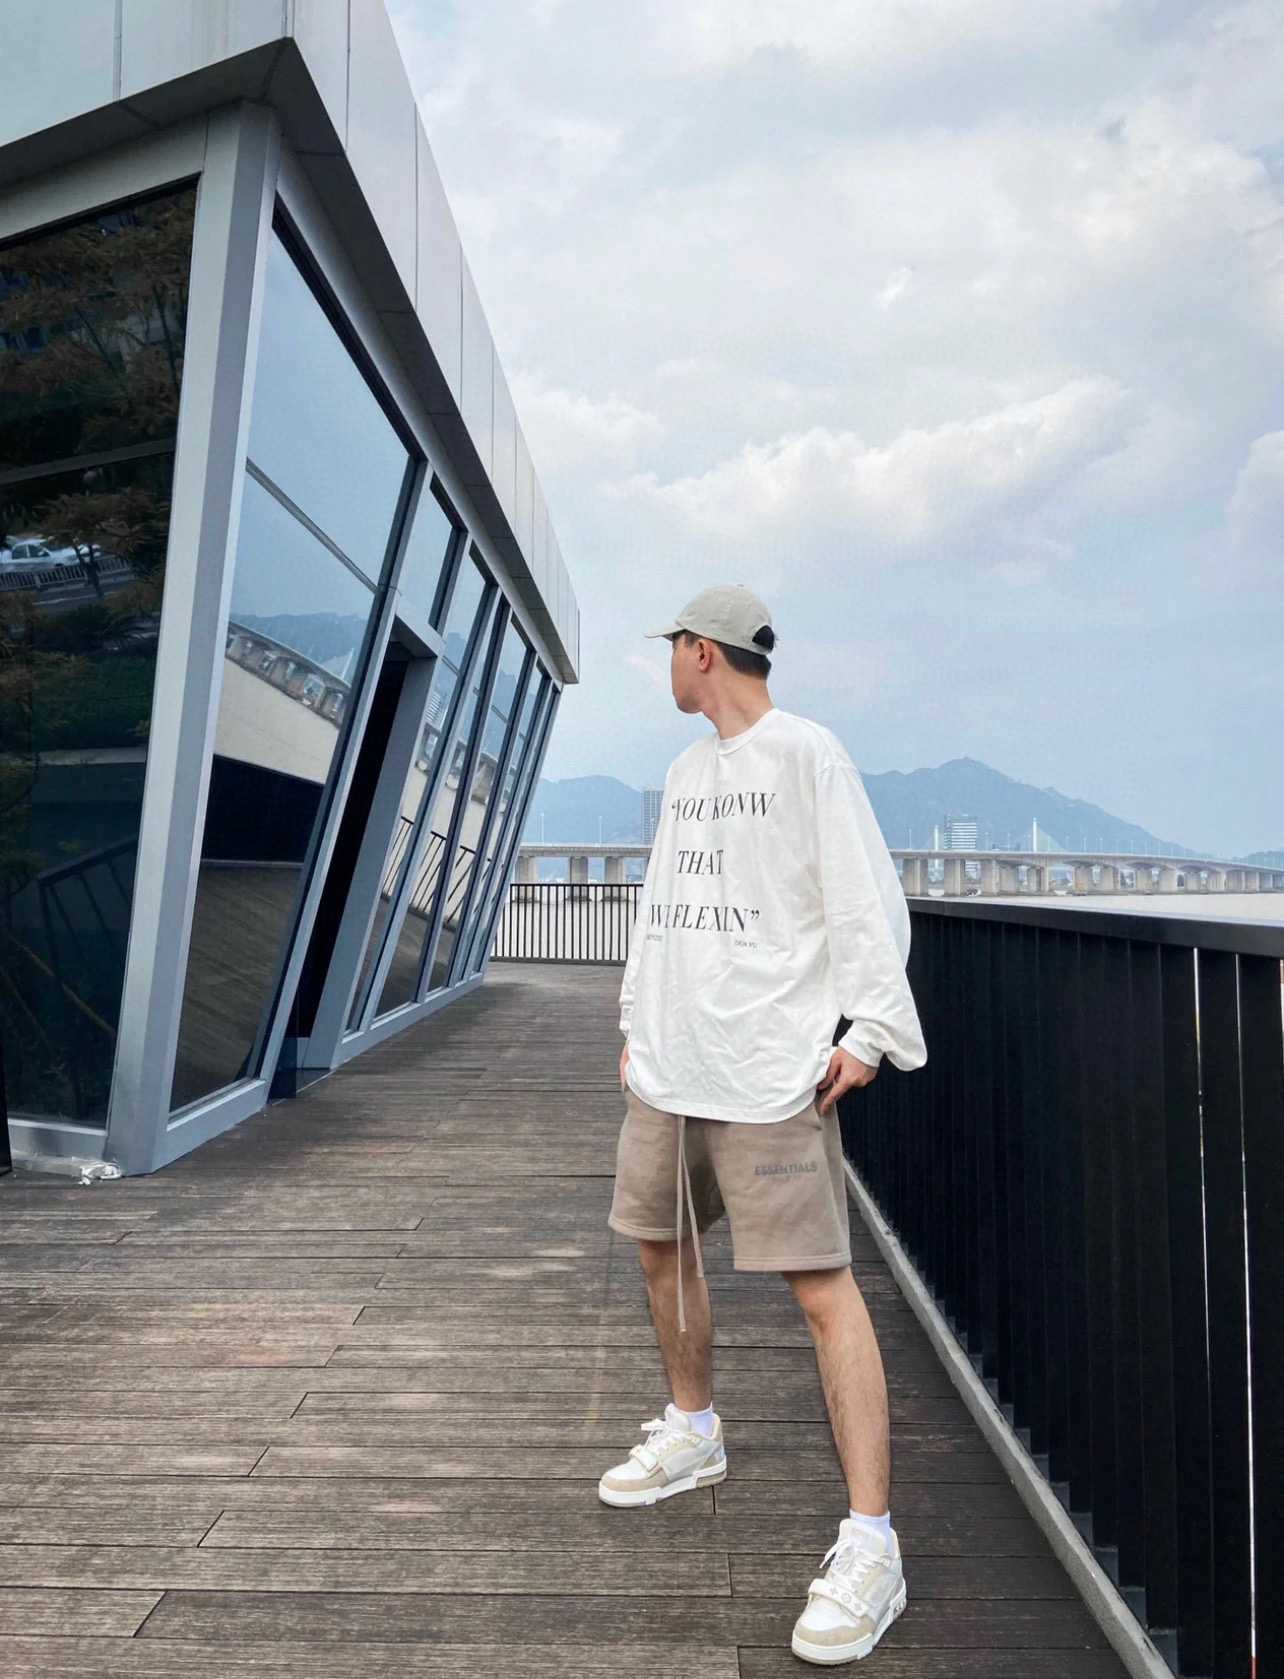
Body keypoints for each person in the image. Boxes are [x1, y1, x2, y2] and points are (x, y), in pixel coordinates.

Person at [598, 585, 927, 1666]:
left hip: (768, 1070)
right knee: (661, 1245)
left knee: (824, 1288)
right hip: (672, 1064)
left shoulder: (807, 755)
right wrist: (635, 1021)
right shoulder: (687, 773)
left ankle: (872, 1544)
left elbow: (866, 897)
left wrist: (869, 1031)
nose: (667, 664)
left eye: (672, 649)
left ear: (703, 651)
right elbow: (660, 909)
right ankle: (693, 1428)